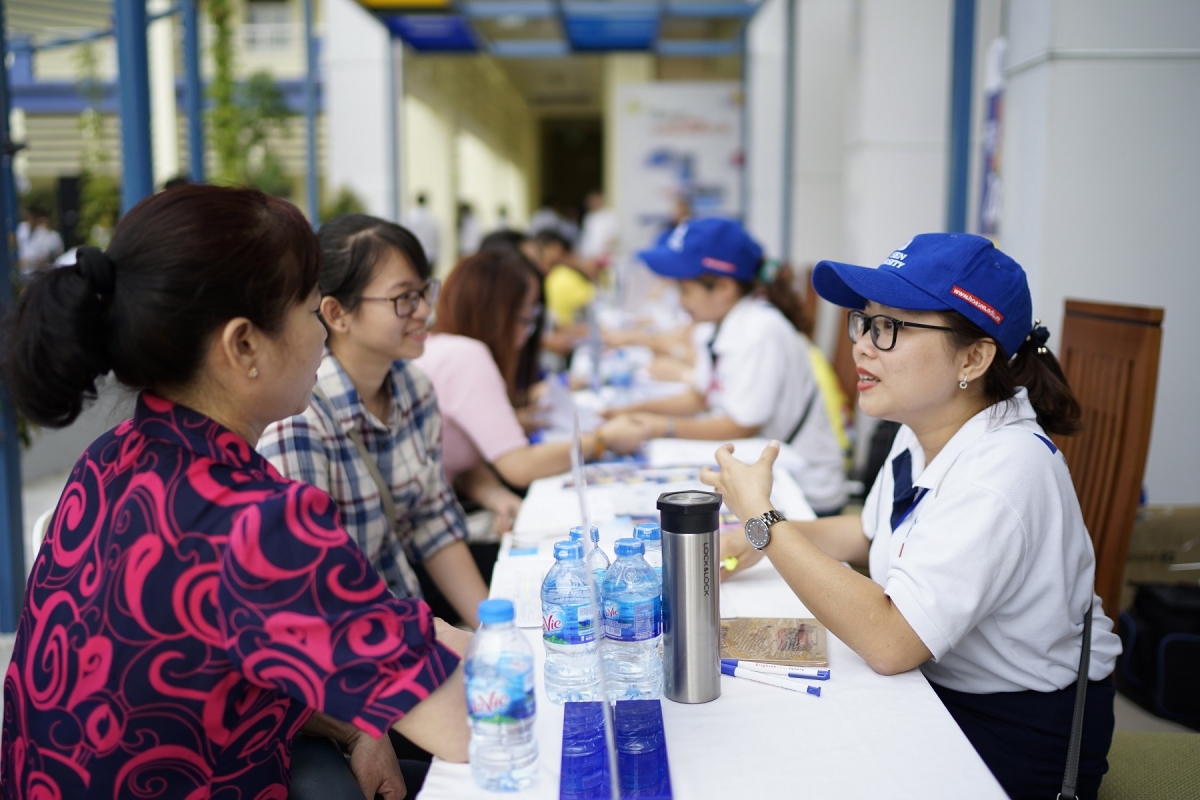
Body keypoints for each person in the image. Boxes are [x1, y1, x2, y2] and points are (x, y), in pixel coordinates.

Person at [0, 186, 469, 800]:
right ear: (243, 344)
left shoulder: (110, 458)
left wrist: (357, 729)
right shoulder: (259, 524)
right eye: (309, 311)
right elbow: (466, 726)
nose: (322, 335)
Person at [706, 233, 1122, 799]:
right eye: (864, 321)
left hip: (1013, 734)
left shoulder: (1003, 469)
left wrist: (764, 518)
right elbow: (867, 531)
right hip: (936, 690)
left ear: (973, 358)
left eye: (891, 328)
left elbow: (892, 641)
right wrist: (750, 538)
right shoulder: (924, 426)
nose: (862, 347)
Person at [257, 214, 491, 626]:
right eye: (403, 298)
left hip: (410, 623)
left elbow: (431, 523)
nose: (424, 311)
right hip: (354, 650)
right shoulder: (298, 418)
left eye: (424, 291)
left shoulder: (414, 387)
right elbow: (312, 591)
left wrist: (492, 631)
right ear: (336, 313)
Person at [607, 218, 847, 515]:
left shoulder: (760, 330)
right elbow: (699, 396)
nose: (680, 301)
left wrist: (657, 427)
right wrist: (633, 411)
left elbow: (741, 424)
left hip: (805, 489)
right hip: (759, 471)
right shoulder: (714, 325)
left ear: (723, 287)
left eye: (685, 290)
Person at [413, 248, 647, 496]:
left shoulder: (441, 346)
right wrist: (601, 440)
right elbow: (521, 467)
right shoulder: (465, 355)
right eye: (526, 319)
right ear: (497, 317)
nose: (527, 334)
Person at [16, 198, 64, 273]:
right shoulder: (22, 228)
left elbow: (45, 258)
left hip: (39, 272)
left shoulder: (45, 234)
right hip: (24, 272)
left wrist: (28, 262)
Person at [403, 191, 440, 267]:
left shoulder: (410, 216)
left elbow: (404, 235)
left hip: (414, 254)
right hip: (430, 254)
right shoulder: (432, 217)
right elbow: (436, 237)